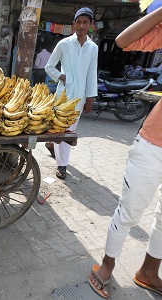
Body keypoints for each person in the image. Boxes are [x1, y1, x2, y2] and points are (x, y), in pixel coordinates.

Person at [89, 6, 162, 299]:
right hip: (154, 144)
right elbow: (123, 41)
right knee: (130, 210)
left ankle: (148, 272)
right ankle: (106, 266)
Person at [44, 7, 98, 179]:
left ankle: (54, 146)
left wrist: (90, 97)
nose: (81, 25)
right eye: (79, 22)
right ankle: (62, 165)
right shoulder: (64, 44)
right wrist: (62, 76)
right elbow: (49, 66)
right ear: (73, 24)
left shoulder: (93, 48)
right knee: (63, 130)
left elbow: (92, 73)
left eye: (85, 22)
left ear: (91, 25)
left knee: (68, 131)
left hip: (80, 97)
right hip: (63, 96)